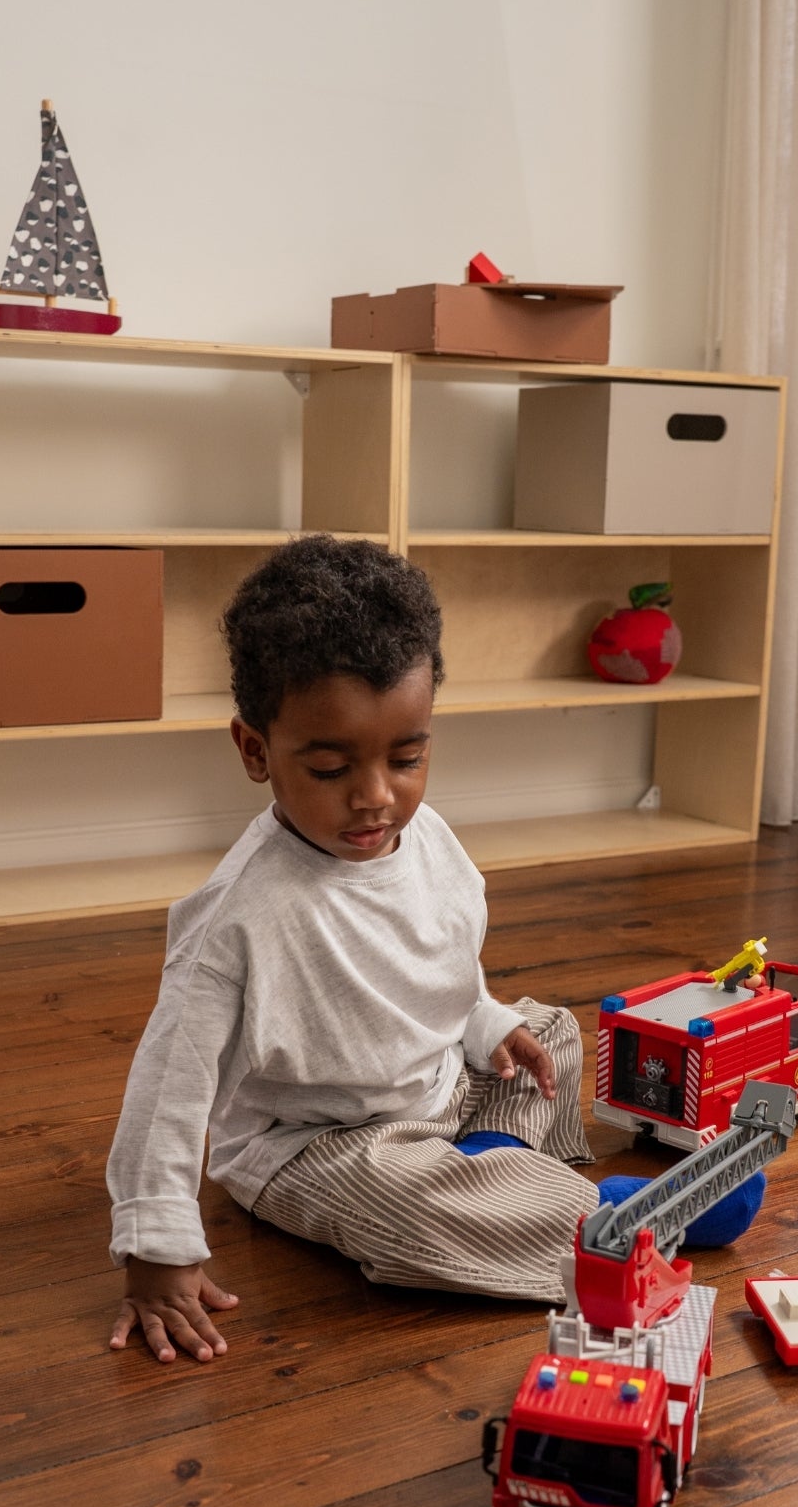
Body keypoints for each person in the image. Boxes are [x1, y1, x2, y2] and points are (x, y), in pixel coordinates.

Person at [106, 534, 759, 1365]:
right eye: (332, 766)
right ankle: (597, 1219)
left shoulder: (426, 838)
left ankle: (496, 1167)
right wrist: (157, 1249)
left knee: (548, 1029)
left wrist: (483, 1023)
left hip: (435, 1084)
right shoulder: (237, 921)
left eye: (407, 757)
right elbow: (168, 1087)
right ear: (255, 750)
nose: (377, 795)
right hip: (323, 1140)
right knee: (401, 1202)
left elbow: (440, 960)